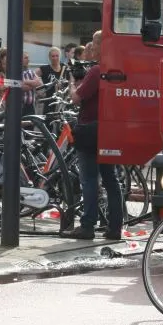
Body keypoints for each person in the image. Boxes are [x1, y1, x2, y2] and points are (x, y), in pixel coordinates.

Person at [67, 30, 121, 240]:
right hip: (110, 129)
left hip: (90, 130)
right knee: (111, 179)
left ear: (101, 46)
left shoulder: (97, 70)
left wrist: (72, 83)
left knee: (89, 179)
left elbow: (76, 98)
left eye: (94, 44)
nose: (91, 47)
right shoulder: (116, 69)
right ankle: (115, 227)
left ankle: (87, 225)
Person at [37, 46, 69, 112]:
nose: (55, 58)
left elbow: (71, 82)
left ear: (60, 56)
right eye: (53, 56)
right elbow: (33, 76)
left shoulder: (65, 68)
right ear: (49, 57)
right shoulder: (44, 69)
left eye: (57, 56)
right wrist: (40, 88)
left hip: (61, 103)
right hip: (48, 102)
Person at [19, 52, 42, 118]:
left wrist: (25, 81)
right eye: (26, 58)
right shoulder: (16, 72)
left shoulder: (31, 72)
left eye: (28, 58)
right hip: (20, 106)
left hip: (31, 106)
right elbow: (23, 87)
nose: (28, 60)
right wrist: (33, 84)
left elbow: (39, 83)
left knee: (30, 123)